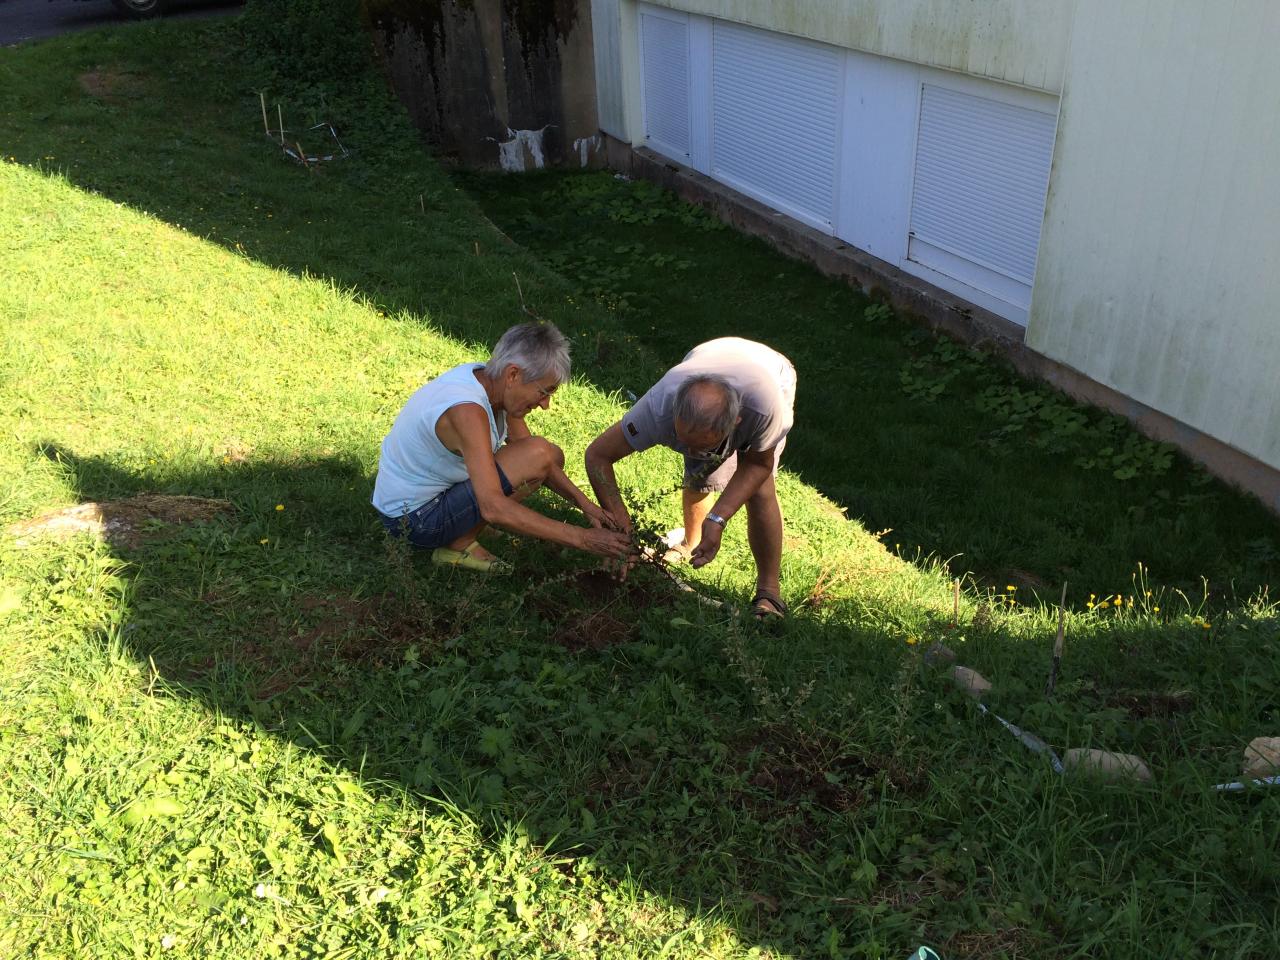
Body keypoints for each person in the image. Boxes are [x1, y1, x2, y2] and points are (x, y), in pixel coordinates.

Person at [372, 322, 633, 573]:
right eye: (544, 392)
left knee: (549, 454)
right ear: (513, 375)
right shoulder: (468, 412)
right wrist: (583, 539)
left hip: (428, 501)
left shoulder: (489, 382)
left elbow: (542, 461)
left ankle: (465, 529)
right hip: (413, 522)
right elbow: (493, 506)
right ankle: (458, 543)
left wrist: (584, 504)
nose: (545, 404)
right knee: (537, 455)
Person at [584, 337, 796, 619]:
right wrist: (621, 527)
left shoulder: (764, 408)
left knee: (759, 490)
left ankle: (769, 593)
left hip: (772, 371)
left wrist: (718, 518)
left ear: (735, 423)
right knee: (700, 472)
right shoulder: (660, 405)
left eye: (704, 445)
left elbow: (758, 465)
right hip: (709, 355)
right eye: (684, 440)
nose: (692, 452)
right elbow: (597, 456)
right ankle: (690, 543)